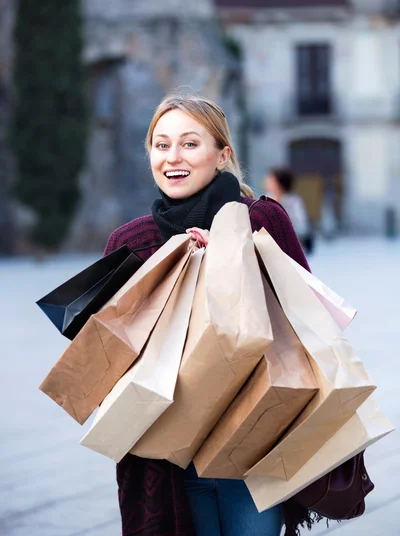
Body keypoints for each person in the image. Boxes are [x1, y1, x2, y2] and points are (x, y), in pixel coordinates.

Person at [104, 94, 312, 536]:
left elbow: (310, 323)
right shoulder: (130, 241)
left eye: (189, 143)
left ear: (223, 154)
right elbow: (107, 358)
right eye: (161, 146)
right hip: (170, 461)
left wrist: (235, 258)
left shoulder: (263, 220)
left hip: (255, 447)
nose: (173, 157)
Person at [265, 167, 314, 255]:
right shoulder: (265, 200)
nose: (267, 182)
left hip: (289, 248)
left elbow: (301, 226)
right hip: (270, 249)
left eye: (271, 180)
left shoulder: (293, 202)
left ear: (279, 183)